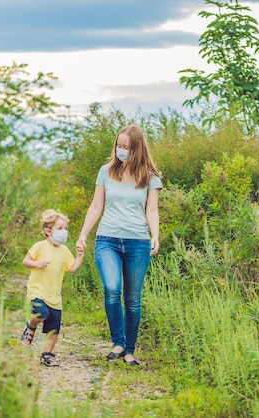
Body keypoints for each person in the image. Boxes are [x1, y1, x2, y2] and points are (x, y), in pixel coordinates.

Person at [76, 124, 162, 366]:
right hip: (108, 240)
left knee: (133, 299)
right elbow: (96, 206)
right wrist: (83, 234)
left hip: (138, 242)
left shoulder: (150, 177)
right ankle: (118, 341)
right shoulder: (106, 171)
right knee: (112, 289)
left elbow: (152, 210)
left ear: (138, 148)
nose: (121, 150)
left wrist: (155, 235)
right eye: (119, 146)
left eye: (127, 147)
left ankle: (130, 350)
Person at [20, 209, 84, 367]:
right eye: (60, 228)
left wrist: (81, 255)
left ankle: (47, 354)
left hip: (55, 296)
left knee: (54, 328)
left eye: (66, 229)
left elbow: (73, 268)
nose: (64, 232)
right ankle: (31, 325)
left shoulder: (64, 251)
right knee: (41, 313)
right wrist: (36, 263)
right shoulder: (40, 246)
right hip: (38, 291)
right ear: (48, 231)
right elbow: (25, 261)